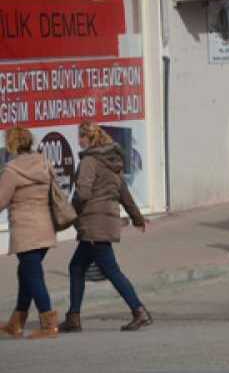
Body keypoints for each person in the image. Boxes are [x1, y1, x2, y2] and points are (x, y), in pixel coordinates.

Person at [58, 121, 152, 333]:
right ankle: (74, 317)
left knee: (111, 271)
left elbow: (82, 193)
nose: (78, 140)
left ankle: (139, 311)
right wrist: (137, 219)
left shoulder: (90, 161)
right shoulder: (112, 162)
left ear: (89, 139)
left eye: (80, 136)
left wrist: (71, 212)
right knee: (77, 267)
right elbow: (124, 194)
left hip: (93, 225)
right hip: (105, 223)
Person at [0, 127, 59, 339]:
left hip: (26, 232)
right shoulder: (44, 163)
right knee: (25, 272)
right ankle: (17, 322)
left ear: (12, 144)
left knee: (32, 275)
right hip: (45, 229)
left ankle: (49, 323)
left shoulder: (12, 170)